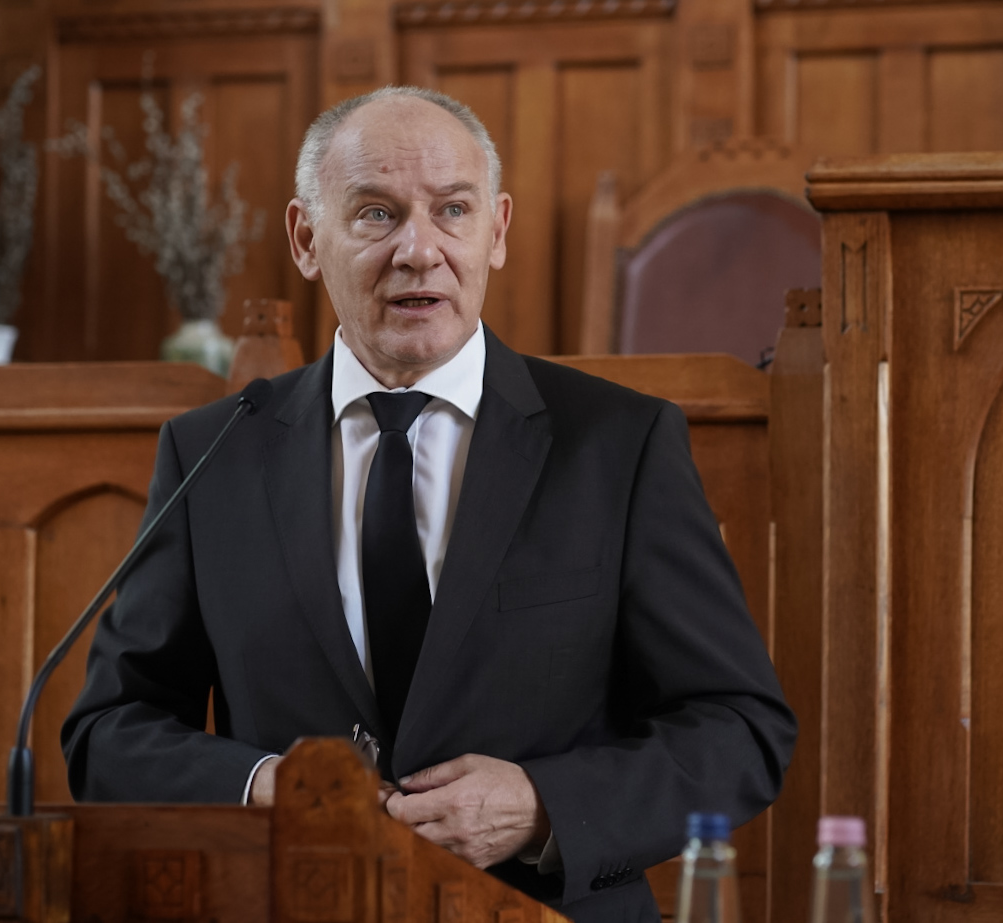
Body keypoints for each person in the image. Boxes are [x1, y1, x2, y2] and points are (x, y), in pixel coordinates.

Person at [63, 86, 796, 923]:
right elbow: (109, 730)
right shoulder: (213, 453)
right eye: (376, 214)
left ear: (497, 230)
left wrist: (543, 804)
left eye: (452, 210)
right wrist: (264, 787)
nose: (419, 250)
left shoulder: (618, 444)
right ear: (305, 239)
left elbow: (738, 728)